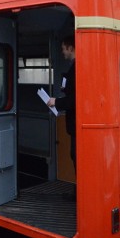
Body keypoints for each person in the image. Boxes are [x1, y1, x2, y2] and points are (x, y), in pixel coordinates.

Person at [47, 35, 77, 184]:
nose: (63, 52)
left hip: (76, 123)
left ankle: (78, 192)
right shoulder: (73, 67)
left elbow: (74, 100)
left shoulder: (76, 68)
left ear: (70, 48)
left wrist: (56, 101)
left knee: (76, 156)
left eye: (64, 49)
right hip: (74, 124)